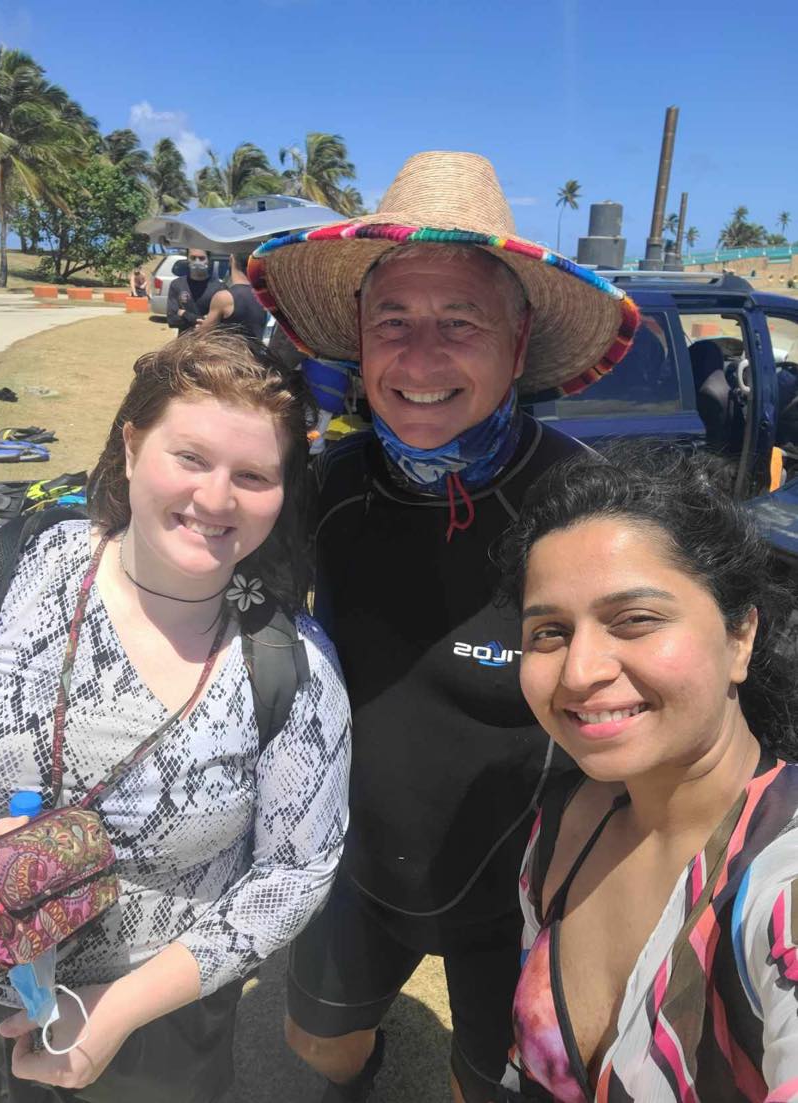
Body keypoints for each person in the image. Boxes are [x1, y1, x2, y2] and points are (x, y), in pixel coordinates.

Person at [248, 150, 640, 1102]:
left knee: (486, 1087)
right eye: (393, 323)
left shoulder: (585, 507)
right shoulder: (327, 489)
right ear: (357, 344)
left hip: (521, 894)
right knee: (319, 1048)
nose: (419, 359)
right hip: (354, 864)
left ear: (518, 343)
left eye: (458, 323)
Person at [0, 330, 351, 1102]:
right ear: (133, 441)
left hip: (156, 1030)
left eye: (251, 474)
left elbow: (294, 871)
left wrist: (114, 1014)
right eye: (190, 457)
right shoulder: (9, 573)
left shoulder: (289, 665)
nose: (216, 499)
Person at [497, 442, 798, 1101]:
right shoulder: (564, 823)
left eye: (633, 619)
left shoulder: (779, 885)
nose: (579, 671)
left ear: (739, 636)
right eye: (547, 631)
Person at [197, 252, 267, 340]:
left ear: (231, 259)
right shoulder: (264, 296)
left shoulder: (224, 297)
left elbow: (203, 336)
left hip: (229, 352)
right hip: (254, 353)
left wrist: (201, 327)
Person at [166, 249, 225, 334]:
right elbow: (172, 320)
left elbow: (222, 322)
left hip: (209, 342)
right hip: (184, 341)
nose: (197, 262)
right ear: (187, 260)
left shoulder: (219, 288)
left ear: (208, 260)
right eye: (193, 258)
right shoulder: (177, 285)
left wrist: (185, 314)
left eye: (201, 258)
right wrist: (205, 321)